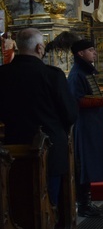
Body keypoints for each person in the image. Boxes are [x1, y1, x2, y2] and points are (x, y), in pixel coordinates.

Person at [0, 28, 78, 208]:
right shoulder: (53, 75)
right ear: (39, 48)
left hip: (14, 144)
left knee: (20, 199)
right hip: (51, 146)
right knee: (49, 201)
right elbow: (70, 114)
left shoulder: (3, 74)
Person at [67, 38, 103, 217]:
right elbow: (77, 100)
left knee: (89, 163)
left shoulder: (86, 72)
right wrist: (101, 101)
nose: (94, 53)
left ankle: (87, 202)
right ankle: (84, 204)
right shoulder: (76, 74)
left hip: (93, 123)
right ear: (80, 53)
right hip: (84, 125)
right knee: (83, 165)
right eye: (90, 50)